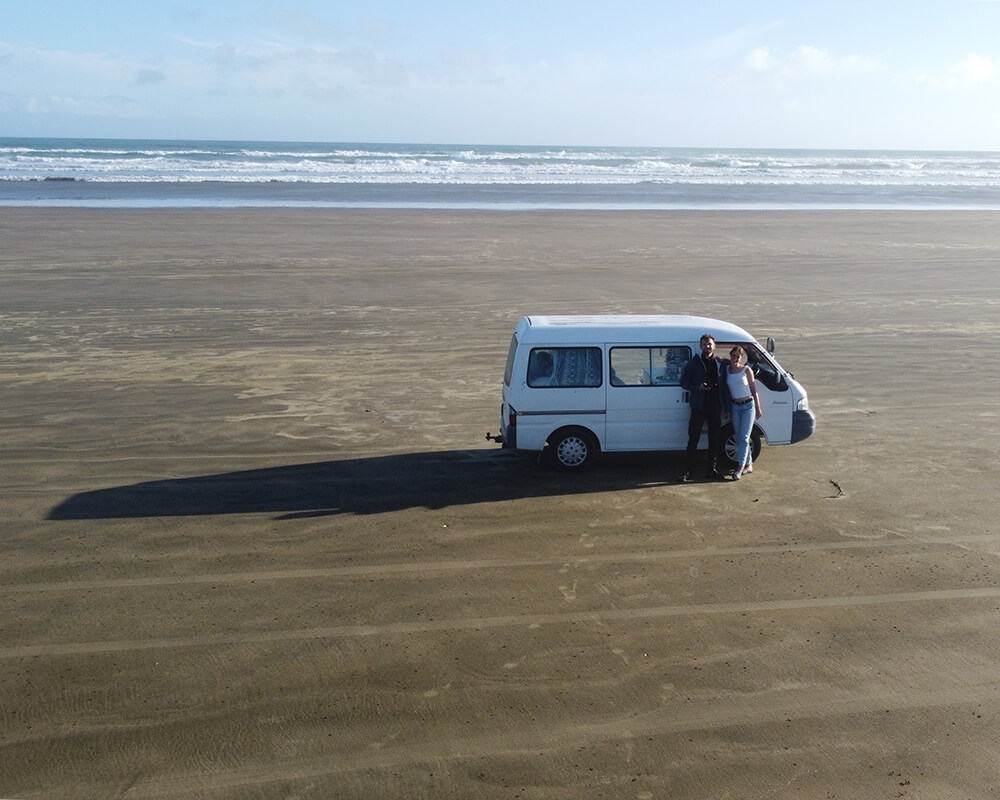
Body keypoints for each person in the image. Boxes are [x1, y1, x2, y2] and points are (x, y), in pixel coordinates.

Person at [680, 334, 723, 481]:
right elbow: (684, 382)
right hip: (699, 405)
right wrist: (697, 388)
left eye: (710, 344)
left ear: (714, 345)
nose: (707, 346)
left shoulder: (719, 362)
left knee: (714, 439)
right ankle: (689, 471)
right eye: (705, 344)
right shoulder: (694, 363)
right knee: (693, 439)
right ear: (700, 346)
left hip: (715, 405)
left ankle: (711, 469)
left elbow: (735, 367)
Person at [724, 345, 763, 480]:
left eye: (738, 356)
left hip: (748, 406)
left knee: (744, 438)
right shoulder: (727, 370)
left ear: (742, 358)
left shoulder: (746, 370)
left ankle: (740, 468)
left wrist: (758, 408)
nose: (735, 358)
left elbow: (754, 390)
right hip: (735, 406)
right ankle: (749, 464)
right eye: (733, 356)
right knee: (739, 436)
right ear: (730, 356)